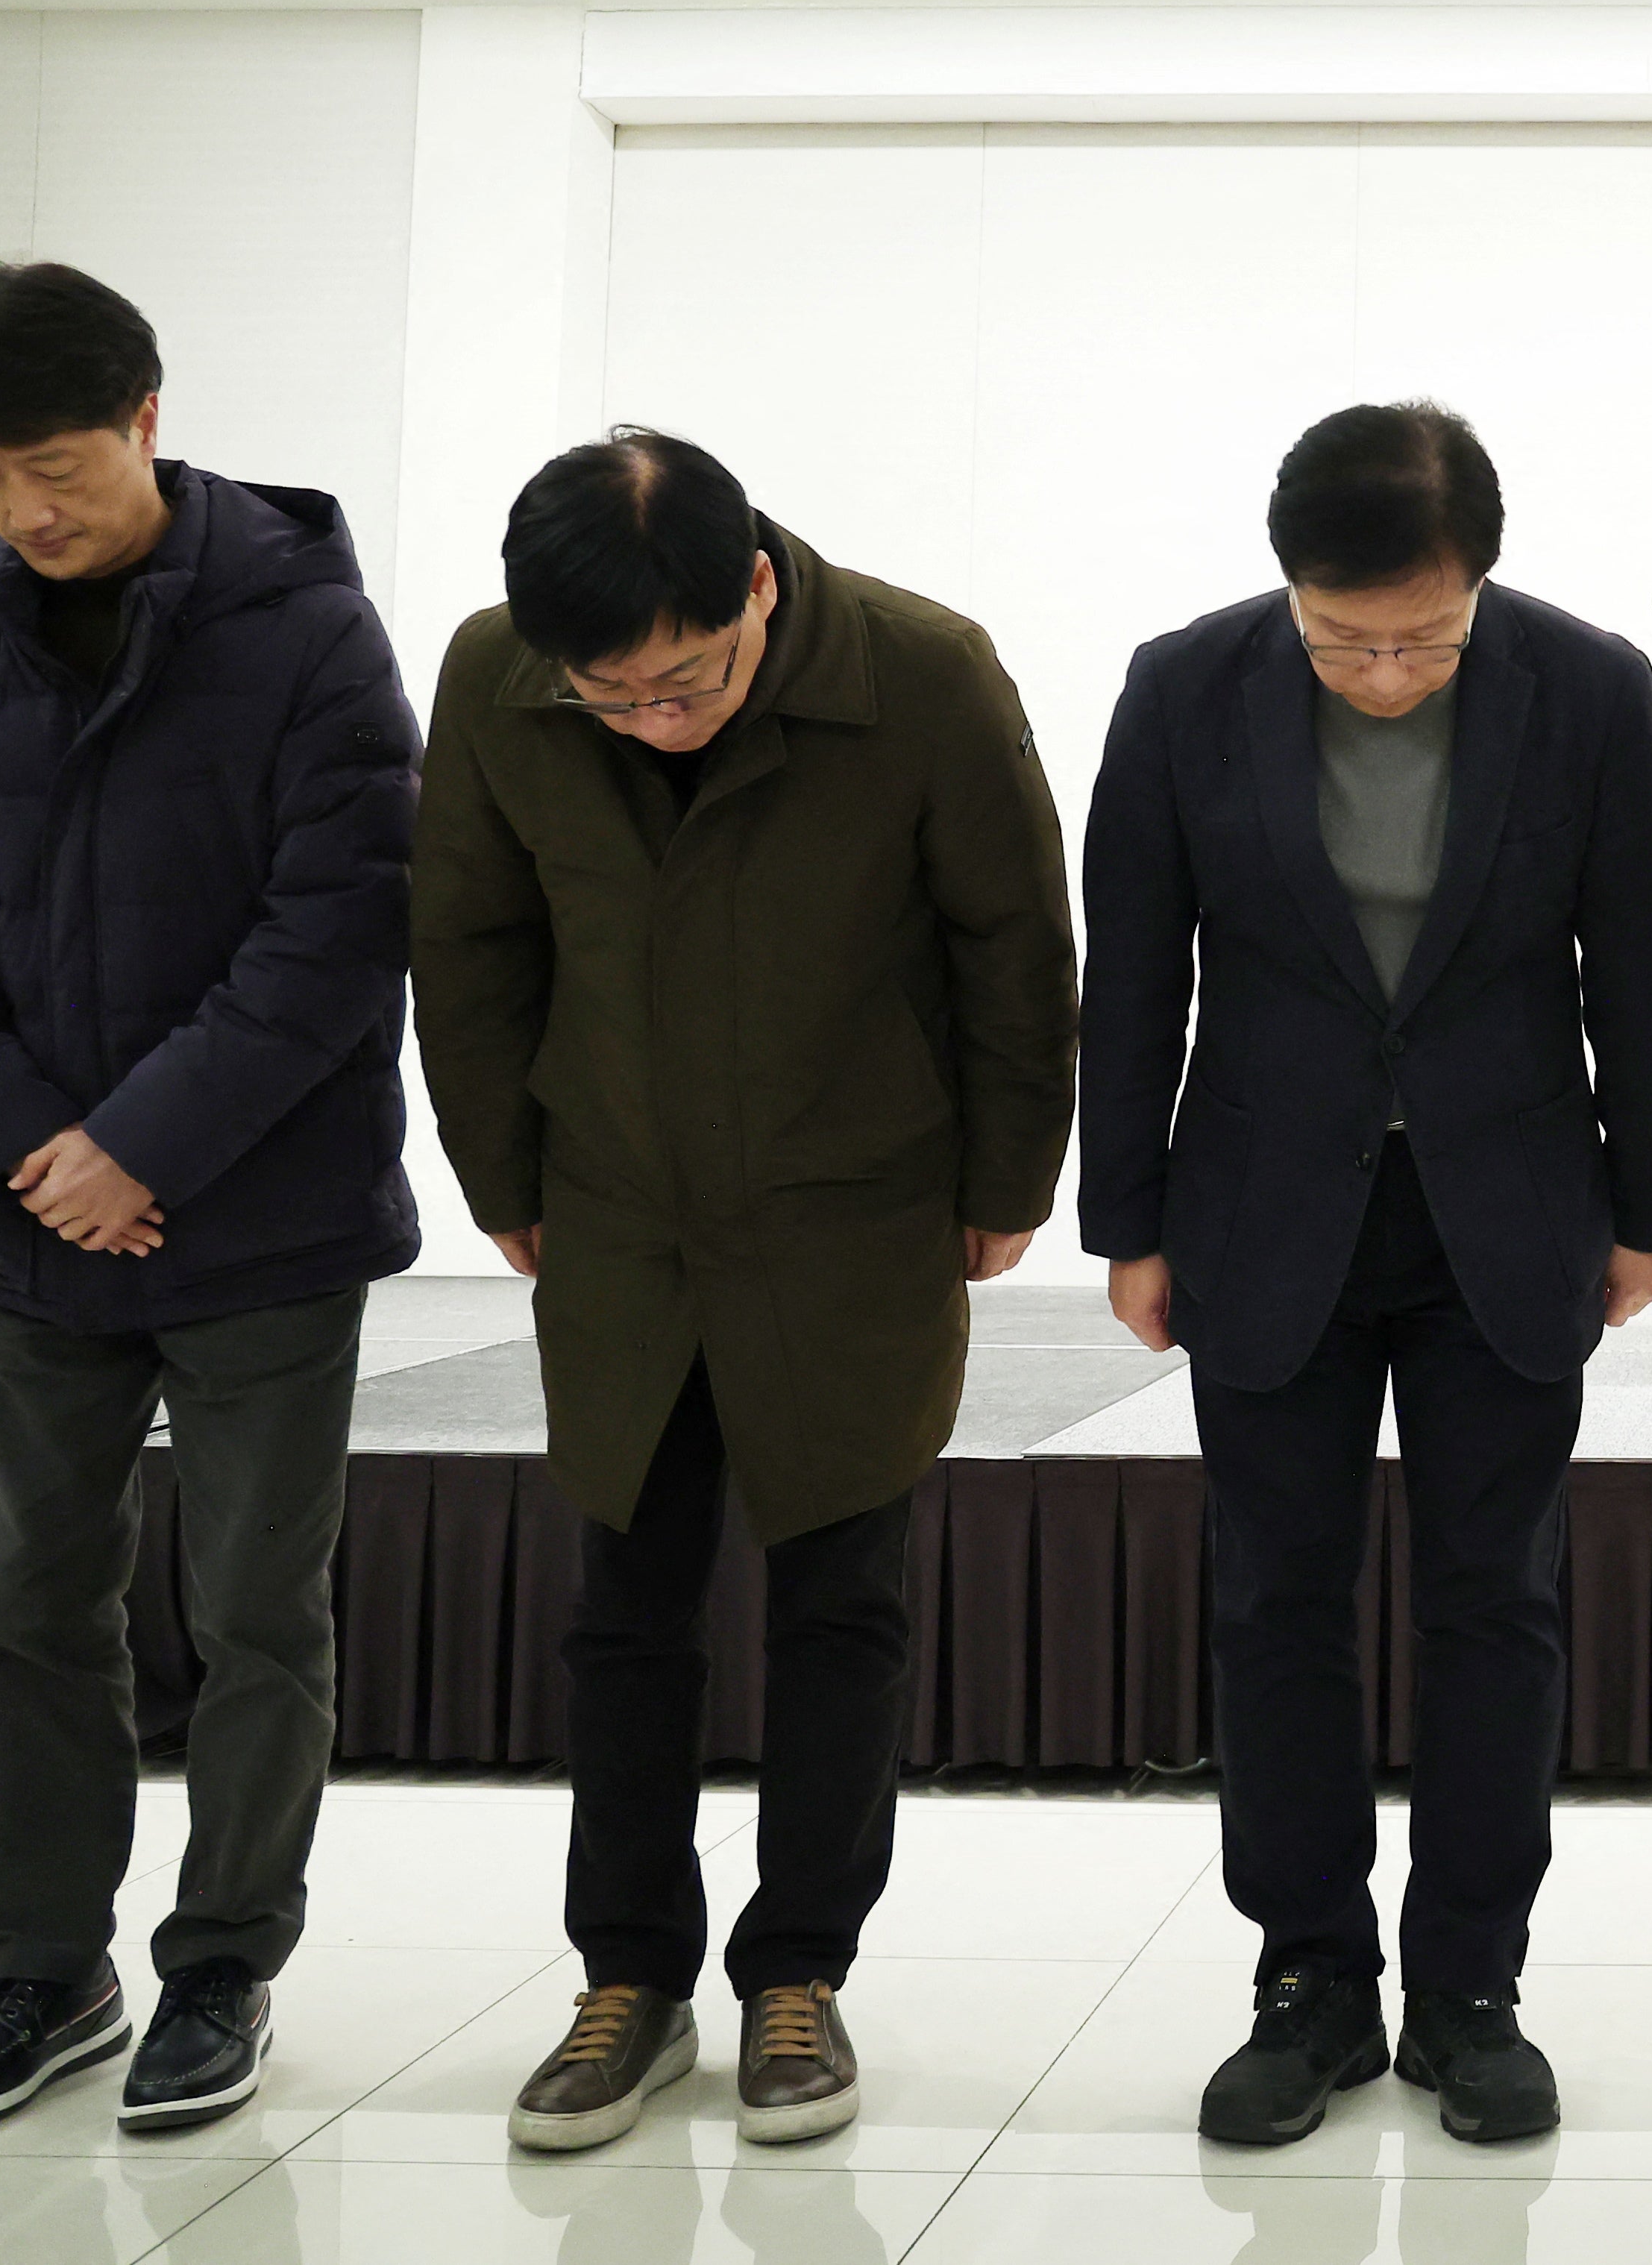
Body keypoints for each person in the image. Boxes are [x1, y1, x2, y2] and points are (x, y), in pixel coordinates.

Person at [410, 429, 1078, 2152]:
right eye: (610, 696)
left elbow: (1014, 940)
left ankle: (803, 1976)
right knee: (624, 1607)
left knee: (841, 1600)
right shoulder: (496, 680)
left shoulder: (923, 675)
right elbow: (470, 943)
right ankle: (625, 1978)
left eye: (687, 678)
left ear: (759, 586)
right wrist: (503, 1181)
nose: (653, 717)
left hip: (852, 1208)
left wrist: (1011, 1179)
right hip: (618, 1212)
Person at [0, 262, 420, 2136]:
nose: (28, 512)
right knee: (31, 1599)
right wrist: (37, 1153)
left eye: (57, 464)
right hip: (28, 1230)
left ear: (148, 416)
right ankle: (41, 1974)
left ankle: (223, 1968)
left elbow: (339, 927)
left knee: (259, 1605)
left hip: (261, 1217)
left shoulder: (309, 635)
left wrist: (143, 1147)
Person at [1081, 400, 1652, 2148]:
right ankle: (1309, 1981)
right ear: (1288, 588)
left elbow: (1637, 963)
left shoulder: (1580, 688)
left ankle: (1472, 1985)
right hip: (1268, 1208)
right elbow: (1134, 972)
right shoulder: (1185, 684)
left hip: (1504, 1207)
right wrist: (1126, 1217)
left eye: (1422, 636)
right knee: (1274, 1597)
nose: (1383, 670)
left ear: (1479, 583)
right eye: (1345, 637)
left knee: (1494, 1596)